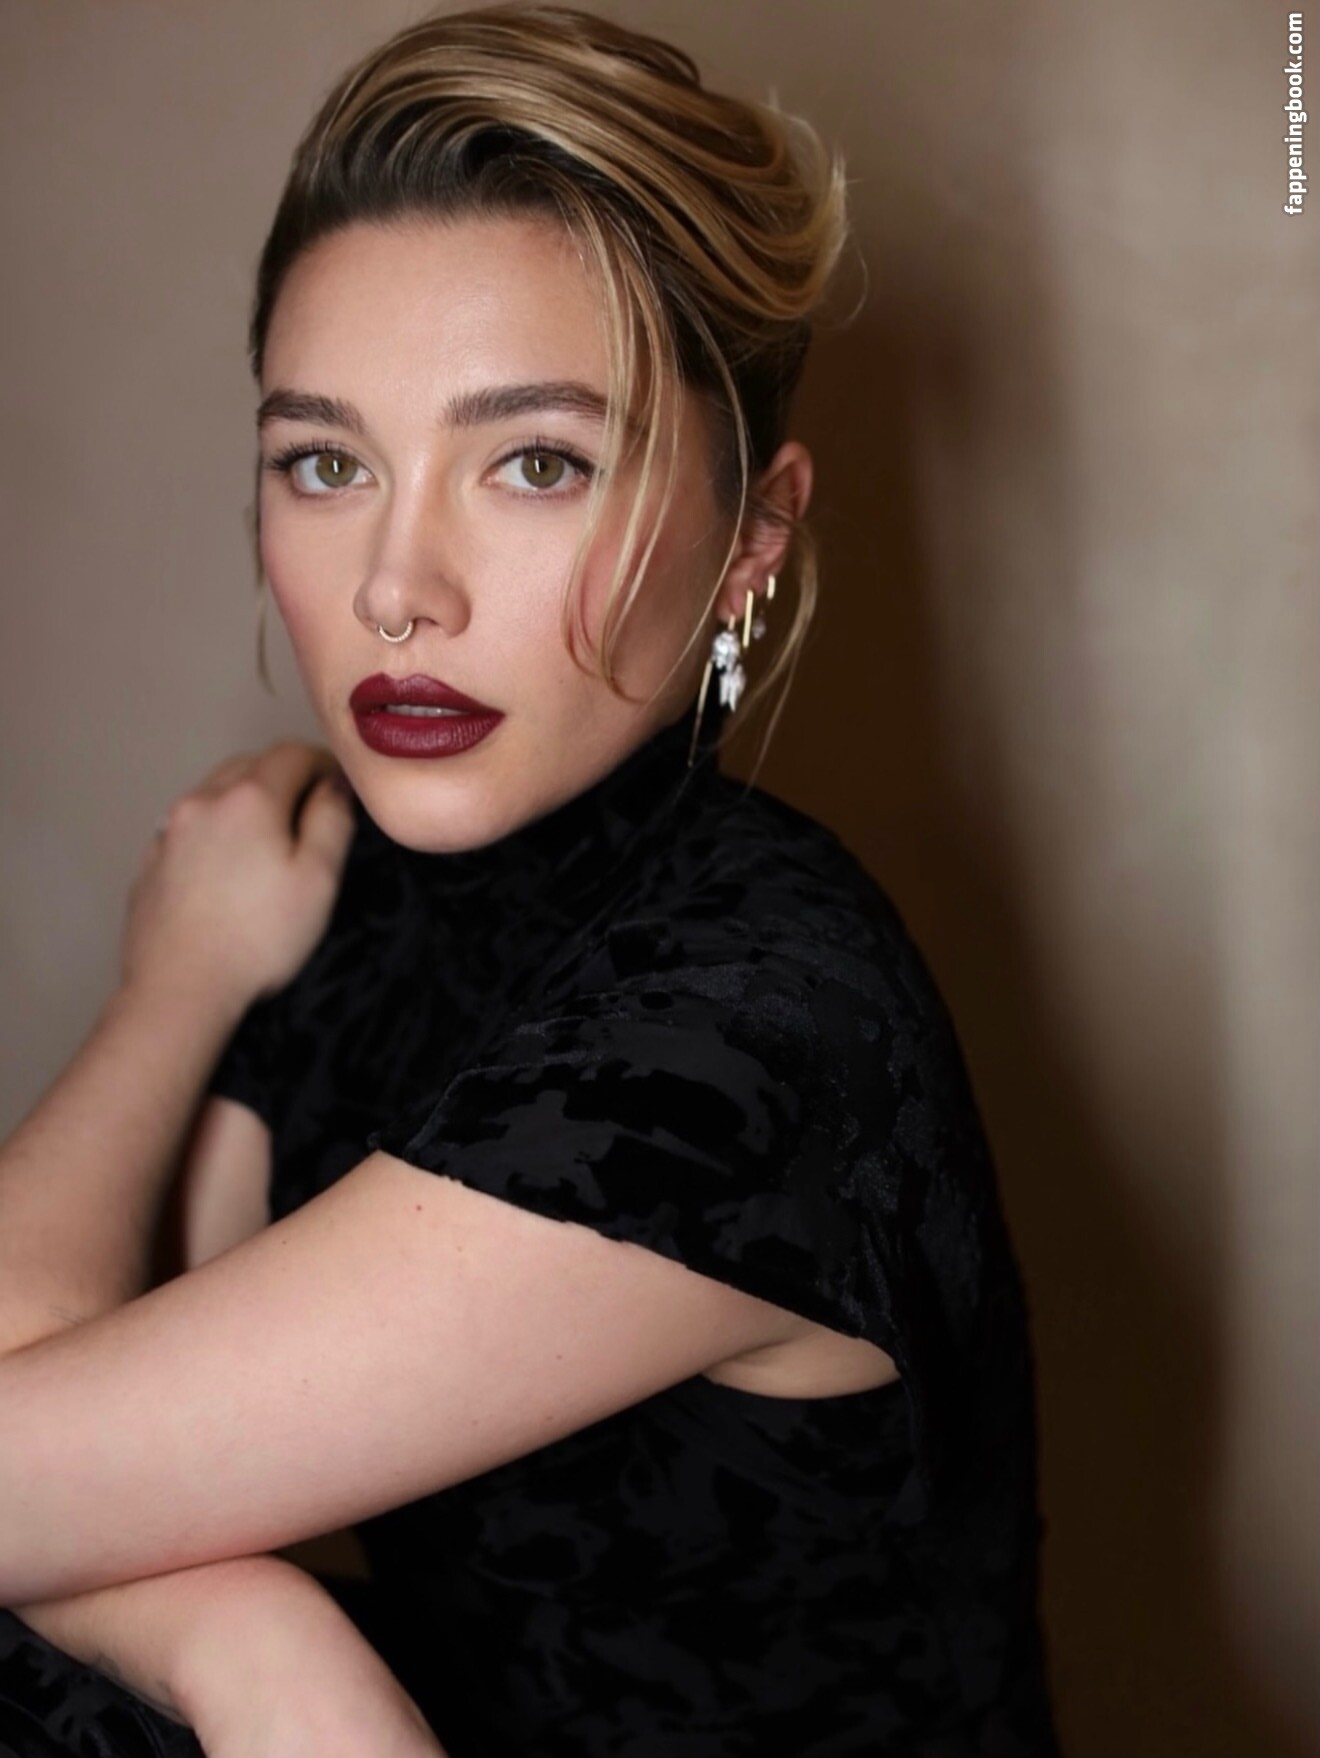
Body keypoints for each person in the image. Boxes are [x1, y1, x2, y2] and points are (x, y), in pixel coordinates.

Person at [0, 5, 1061, 1753]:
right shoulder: (366, 888)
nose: (396, 586)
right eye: (325, 461)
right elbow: (54, 1392)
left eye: (536, 461)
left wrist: (251, 1641)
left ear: (752, 536)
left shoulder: (753, 1030)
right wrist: (246, 1639)